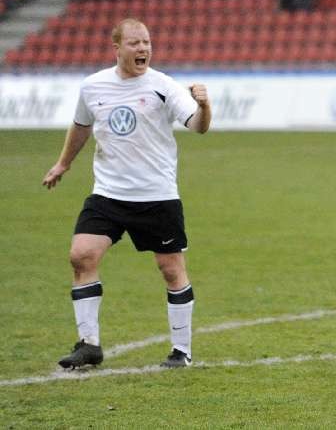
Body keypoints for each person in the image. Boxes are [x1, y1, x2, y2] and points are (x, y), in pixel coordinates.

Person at [42, 19, 212, 369]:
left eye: (147, 42)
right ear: (116, 47)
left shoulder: (163, 86)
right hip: (108, 194)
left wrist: (205, 106)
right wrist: (63, 164)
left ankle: (182, 351)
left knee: (171, 269)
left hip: (157, 195)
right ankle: (89, 344)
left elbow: (197, 126)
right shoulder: (92, 87)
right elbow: (81, 127)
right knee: (81, 255)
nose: (143, 49)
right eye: (135, 43)